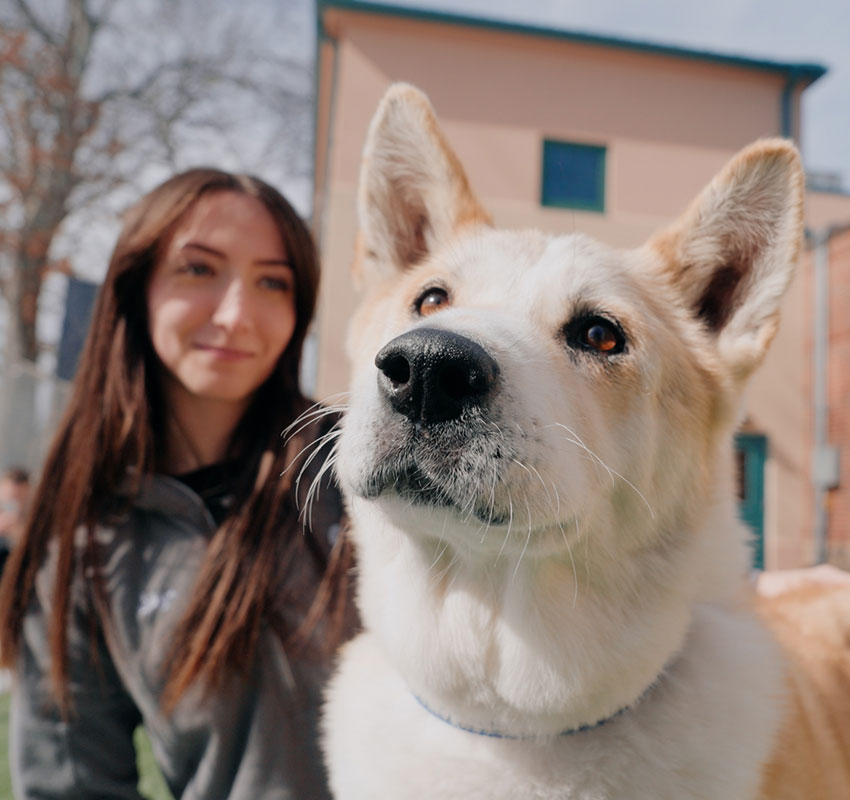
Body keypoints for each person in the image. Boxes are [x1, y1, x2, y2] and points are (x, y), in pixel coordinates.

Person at [0, 169, 355, 799]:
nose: (237, 313)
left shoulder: (356, 468)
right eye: (199, 269)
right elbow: (70, 785)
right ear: (137, 289)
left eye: (273, 281)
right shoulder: (84, 550)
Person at [0, 466, 30, 576]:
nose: (13, 502)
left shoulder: (35, 525)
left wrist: (19, 536)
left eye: (18, 497)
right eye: (9, 496)